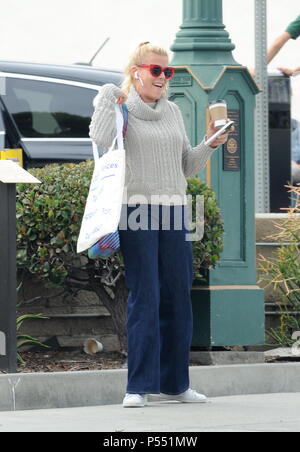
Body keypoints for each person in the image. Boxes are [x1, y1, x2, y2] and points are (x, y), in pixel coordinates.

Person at [89, 42, 233, 408]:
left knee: (177, 299)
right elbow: (100, 138)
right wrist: (107, 94)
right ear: (136, 71)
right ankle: (137, 386)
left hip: (175, 212)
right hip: (135, 210)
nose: (163, 78)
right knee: (145, 297)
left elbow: (185, 165)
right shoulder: (122, 108)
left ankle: (176, 384)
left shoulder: (172, 112)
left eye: (168, 72)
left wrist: (211, 144)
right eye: (156, 70)